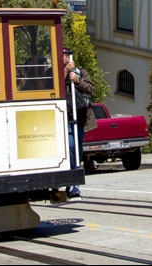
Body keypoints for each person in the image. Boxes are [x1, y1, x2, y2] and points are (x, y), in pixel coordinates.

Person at [63, 47, 96, 199]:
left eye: (66, 56)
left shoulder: (81, 72)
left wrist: (77, 80)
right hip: (62, 117)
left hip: (79, 117)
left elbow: (91, 89)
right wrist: (64, 73)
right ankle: (69, 179)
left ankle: (74, 182)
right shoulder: (55, 74)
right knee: (69, 146)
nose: (65, 58)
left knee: (77, 147)